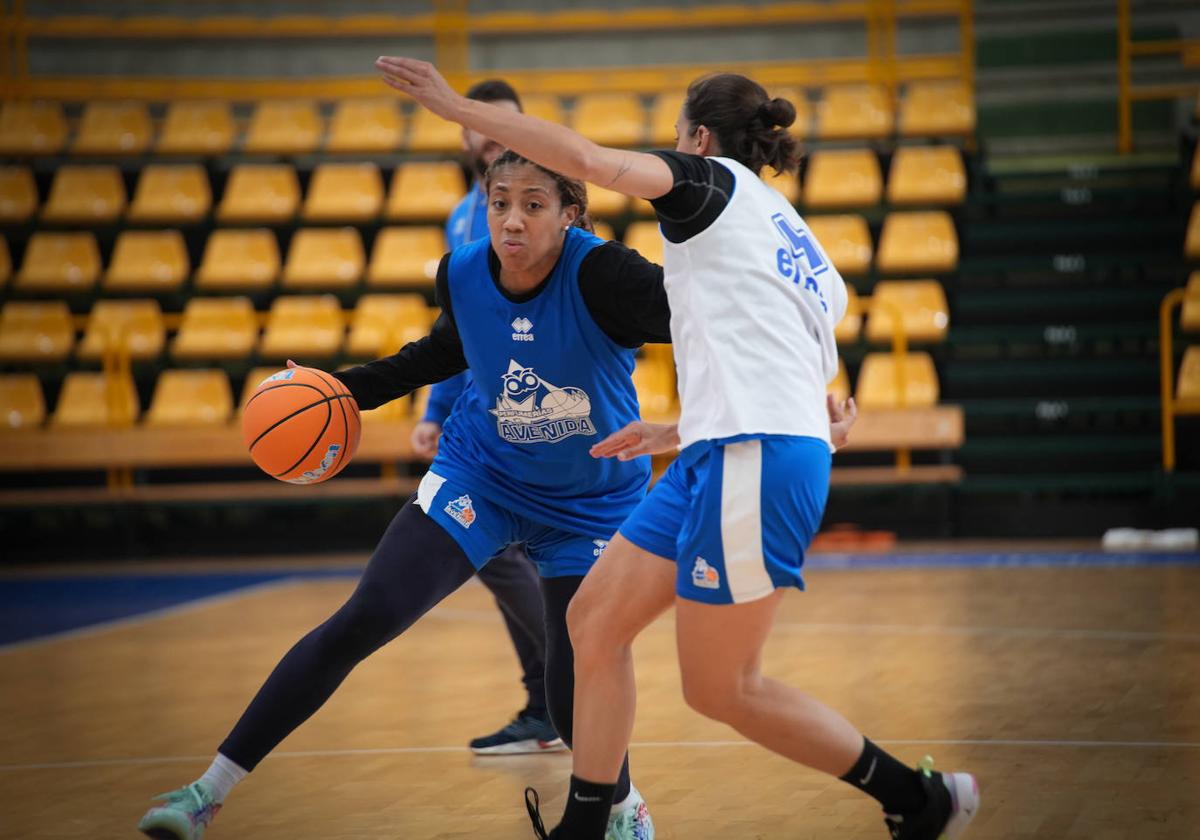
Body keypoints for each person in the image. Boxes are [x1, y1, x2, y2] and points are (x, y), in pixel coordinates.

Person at [375, 56, 979, 840]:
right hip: (722, 447)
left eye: (674, 137)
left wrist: (457, 106)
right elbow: (792, 346)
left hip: (757, 456)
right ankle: (588, 826)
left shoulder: (707, 182)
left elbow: (585, 161)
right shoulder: (792, 233)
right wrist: (687, 427)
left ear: (696, 137)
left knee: (722, 688)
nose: (668, 151)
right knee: (592, 622)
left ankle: (919, 799)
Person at [137, 149, 671, 840]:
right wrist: (338, 390)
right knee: (367, 615)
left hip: (588, 503)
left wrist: (700, 425)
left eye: (533, 204)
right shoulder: (465, 272)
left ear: (571, 214)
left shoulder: (607, 275)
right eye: (499, 200)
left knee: (574, 695)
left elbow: (706, 325)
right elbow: (441, 353)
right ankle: (205, 792)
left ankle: (623, 808)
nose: (511, 219)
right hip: (485, 475)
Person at [418, 77, 563, 757]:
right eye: (478, 122)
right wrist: (436, 405)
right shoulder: (461, 216)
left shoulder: (552, 207)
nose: (490, 133)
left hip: (541, 411)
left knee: (505, 554)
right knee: (501, 554)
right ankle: (547, 702)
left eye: (504, 122)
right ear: (465, 134)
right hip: (483, 414)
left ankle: (561, 693)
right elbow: (457, 326)